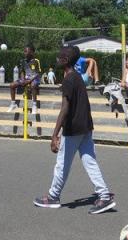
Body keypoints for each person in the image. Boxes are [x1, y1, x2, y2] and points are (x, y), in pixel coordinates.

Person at [33, 46, 115, 215]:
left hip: (74, 128)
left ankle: (53, 196)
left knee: (62, 164)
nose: (57, 59)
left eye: (59, 57)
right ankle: (104, 195)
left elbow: (65, 108)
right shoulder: (77, 77)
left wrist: (54, 134)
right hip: (85, 126)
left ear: (65, 60)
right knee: (90, 161)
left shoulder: (69, 80)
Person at [7, 45, 42, 113]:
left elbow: (37, 73)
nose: (24, 53)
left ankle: (34, 105)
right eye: (24, 51)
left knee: (33, 85)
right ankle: (13, 103)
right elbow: (22, 71)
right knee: (12, 85)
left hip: (34, 78)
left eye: (26, 51)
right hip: (26, 79)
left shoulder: (36, 61)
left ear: (32, 52)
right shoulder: (23, 61)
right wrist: (23, 80)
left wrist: (29, 81)